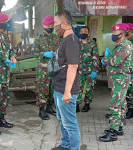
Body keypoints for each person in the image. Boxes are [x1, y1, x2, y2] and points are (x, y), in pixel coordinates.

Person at [51, 10, 81, 150]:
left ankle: (74, 148)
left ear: (64, 24)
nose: (54, 27)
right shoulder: (66, 40)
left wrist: (67, 91)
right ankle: (66, 144)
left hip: (66, 89)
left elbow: (73, 67)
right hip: (59, 87)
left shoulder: (72, 41)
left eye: (56, 23)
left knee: (70, 123)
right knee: (63, 120)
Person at [99, 23, 133, 142]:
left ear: (122, 34)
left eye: (115, 34)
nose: (113, 36)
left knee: (115, 105)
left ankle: (113, 132)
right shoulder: (121, 45)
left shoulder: (124, 46)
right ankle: (119, 127)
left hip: (120, 80)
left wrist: (105, 58)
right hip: (119, 80)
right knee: (121, 104)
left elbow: (115, 61)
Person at [32, 15, 61, 120]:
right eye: (48, 25)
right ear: (44, 25)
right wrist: (44, 54)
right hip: (43, 69)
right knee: (42, 88)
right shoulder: (39, 38)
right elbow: (34, 53)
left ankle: (49, 107)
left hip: (55, 67)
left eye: (52, 25)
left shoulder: (57, 38)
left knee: (53, 88)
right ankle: (41, 110)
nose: (50, 27)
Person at [76, 26, 99, 112]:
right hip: (79, 70)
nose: (83, 33)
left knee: (89, 88)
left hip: (90, 70)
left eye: (85, 31)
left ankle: (87, 104)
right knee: (78, 88)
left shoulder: (93, 43)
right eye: (81, 31)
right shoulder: (76, 43)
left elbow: (95, 57)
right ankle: (77, 104)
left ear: (88, 34)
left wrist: (95, 70)